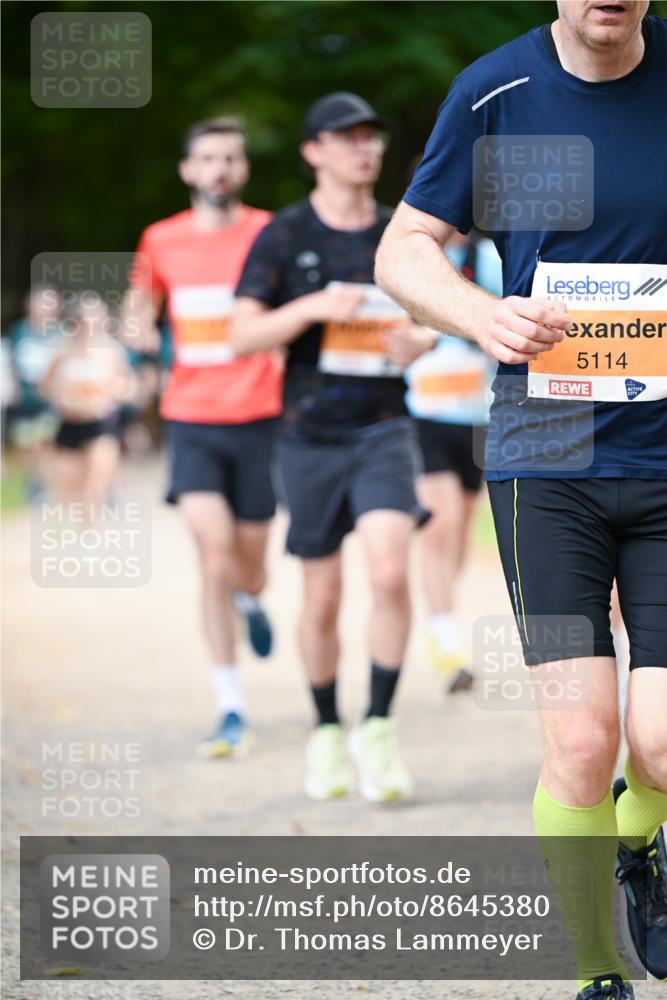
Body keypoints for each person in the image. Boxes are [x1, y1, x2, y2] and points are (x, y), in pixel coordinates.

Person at [376, 3, 666, 997]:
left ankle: (639, 839)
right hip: (546, 452)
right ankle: (595, 968)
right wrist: (478, 314)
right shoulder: (494, 92)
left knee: (660, 741)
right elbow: (403, 248)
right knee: (580, 739)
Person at [231, 92, 434, 803]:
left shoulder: (400, 233)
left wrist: (421, 340)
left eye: (371, 137)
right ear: (313, 151)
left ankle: (377, 726)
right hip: (308, 435)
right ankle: (325, 729)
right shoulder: (283, 234)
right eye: (346, 138)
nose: (363, 149)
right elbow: (241, 335)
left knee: (388, 572)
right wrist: (311, 307)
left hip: (384, 427)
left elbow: (437, 315)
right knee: (321, 599)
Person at [122, 117, 283, 758]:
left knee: (250, 566)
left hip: (259, 415)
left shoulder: (269, 233)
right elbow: (141, 307)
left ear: (244, 170)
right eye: (208, 158)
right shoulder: (160, 239)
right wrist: (135, 332)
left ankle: (252, 599)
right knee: (213, 558)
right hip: (190, 418)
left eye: (230, 158)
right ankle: (229, 704)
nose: (219, 168)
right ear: (188, 170)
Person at [405, 231, 502, 692]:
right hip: (425, 414)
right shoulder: (413, 258)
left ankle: (442, 614)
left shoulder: (490, 259)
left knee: (460, 532)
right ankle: (445, 640)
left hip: (477, 416)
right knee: (439, 526)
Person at [40, 292, 135, 498]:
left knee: (94, 490)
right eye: (89, 317)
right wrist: (60, 397)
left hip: (101, 424)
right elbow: (44, 385)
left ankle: (97, 515)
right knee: (72, 492)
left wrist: (113, 391)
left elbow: (128, 385)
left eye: (98, 316)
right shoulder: (61, 348)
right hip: (68, 424)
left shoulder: (110, 349)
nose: (94, 321)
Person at [6, 285, 62, 497]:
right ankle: (33, 483)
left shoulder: (60, 333)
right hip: (24, 398)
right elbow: (11, 361)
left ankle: (47, 483)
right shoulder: (19, 331)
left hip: (50, 399)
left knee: (46, 441)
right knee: (26, 443)